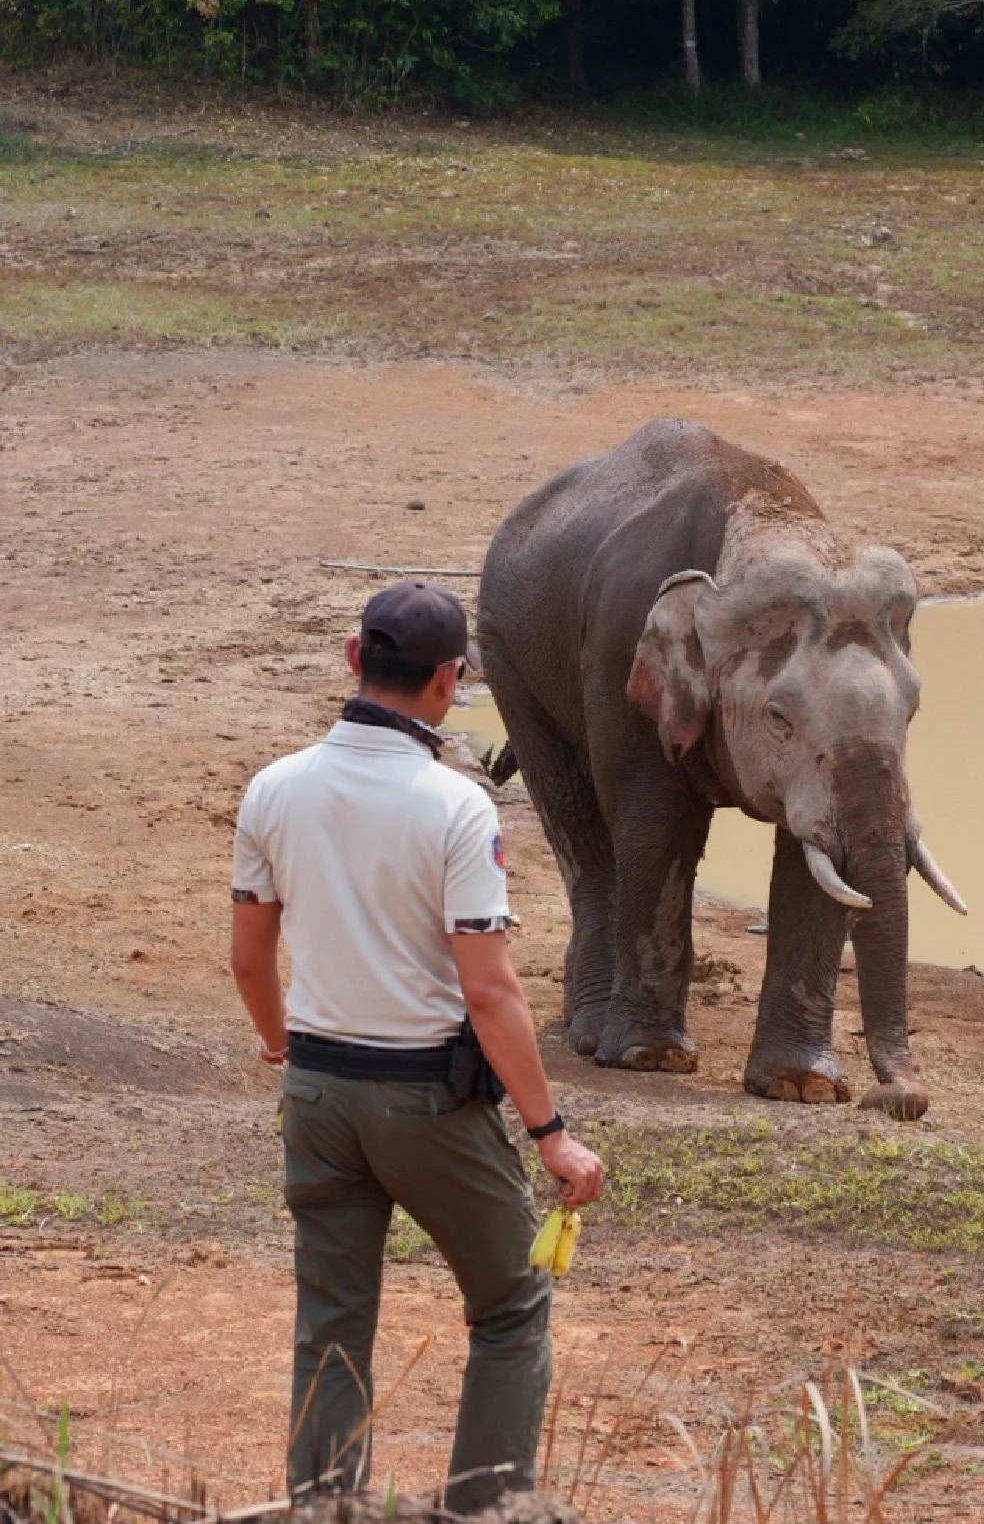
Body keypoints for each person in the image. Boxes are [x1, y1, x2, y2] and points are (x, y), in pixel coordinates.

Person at [229, 581, 605, 1509]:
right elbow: (489, 989)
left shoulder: (273, 789)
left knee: (332, 1323)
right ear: (450, 680)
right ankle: (488, 1509)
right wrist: (550, 1132)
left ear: (355, 659)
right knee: (511, 1304)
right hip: (426, 1103)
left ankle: (324, 1511)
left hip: (317, 1091)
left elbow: (248, 957)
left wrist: (281, 1043)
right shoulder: (456, 808)